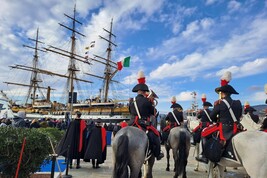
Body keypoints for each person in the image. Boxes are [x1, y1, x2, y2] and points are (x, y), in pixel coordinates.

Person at [196, 84, 242, 163]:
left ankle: (204, 156)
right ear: (230, 93)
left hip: (223, 127)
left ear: (222, 93)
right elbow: (239, 115)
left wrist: (216, 119)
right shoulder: (238, 103)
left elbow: (212, 116)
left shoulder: (220, 103)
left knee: (203, 133)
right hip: (235, 127)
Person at [128, 71, 164, 160]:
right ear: (144, 92)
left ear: (137, 91)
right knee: (156, 135)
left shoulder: (131, 101)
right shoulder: (147, 101)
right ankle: (158, 154)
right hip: (143, 124)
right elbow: (153, 113)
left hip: (132, 123)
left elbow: (130, 111)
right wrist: (151, 102)